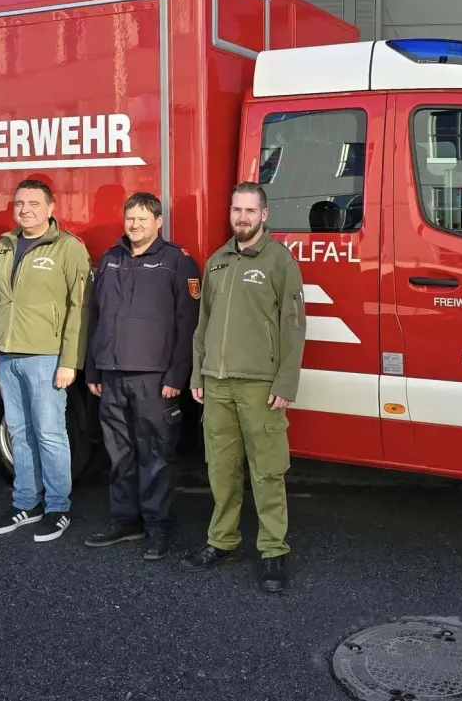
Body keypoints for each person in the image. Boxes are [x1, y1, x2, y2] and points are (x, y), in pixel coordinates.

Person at [180, 182, 306, 593]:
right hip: (216, 385)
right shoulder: (217, 262)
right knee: (221, 470)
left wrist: (286, 381)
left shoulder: (279, 261)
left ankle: (273, 551)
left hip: (259, 386)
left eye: (250, 211)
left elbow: (294, 326)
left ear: (264, 215)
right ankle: (223, 540)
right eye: (237, 210)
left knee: (267, 471)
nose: (242, 218)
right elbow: (203, 326)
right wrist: (198, 374)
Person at [81, 192, 201, 560]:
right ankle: (125, 520)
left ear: (159, 222)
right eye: (130, 218)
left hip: (155, 380)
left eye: (143, 219)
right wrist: (94, 368)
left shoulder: (177, 263)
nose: (134, 225)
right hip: (112, 376)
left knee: (156, 455)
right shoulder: (111, 259)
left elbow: (188, 326)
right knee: (119, 453)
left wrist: (177, 376)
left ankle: (158, 527)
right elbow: (95, 318)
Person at [0, 180, 91, 542]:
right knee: (19, 433)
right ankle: (26, 501)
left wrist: (69, 361)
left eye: (34, 203)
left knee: (50, 434)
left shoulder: (68, 248)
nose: (26, 209)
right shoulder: (2, 249)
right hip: (6, 356)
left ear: (51, 207)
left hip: (46, 357)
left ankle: (58, 507)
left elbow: (80, 307)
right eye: (20, 203)